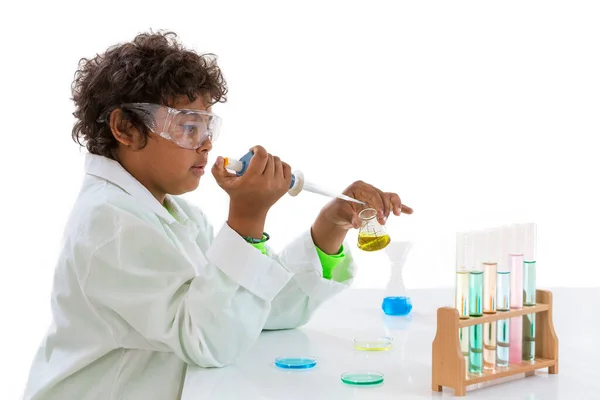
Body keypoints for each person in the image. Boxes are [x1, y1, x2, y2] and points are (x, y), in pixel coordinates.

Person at [23, 31, 413, 400]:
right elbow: (209, 341)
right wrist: (246, 221)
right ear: (126, 127)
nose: (207, 143)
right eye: (188, 126)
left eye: (207, 126)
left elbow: (253, 309)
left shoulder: (176, 214)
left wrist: (328, 227)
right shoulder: (110, 225)